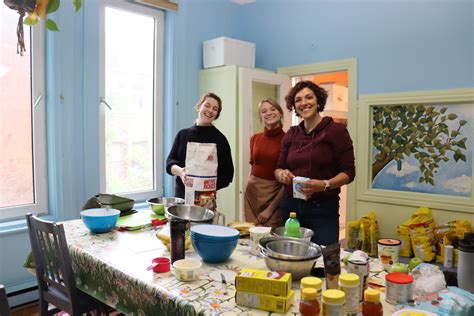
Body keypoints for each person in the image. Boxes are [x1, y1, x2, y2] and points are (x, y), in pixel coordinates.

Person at [274, 81, 355, 246]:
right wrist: (282, 174)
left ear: (318, 101)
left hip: (323, 209)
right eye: (298, 100)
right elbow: (278, 168)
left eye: (309, 97)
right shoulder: (291, 134)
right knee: (292, 257)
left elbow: (348, 172)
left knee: (323, 261)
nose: (304, 103)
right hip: (292, 210)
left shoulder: (336, 131)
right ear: (294, 107)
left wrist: (324, 184)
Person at [166, 93, 234, 202]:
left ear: (216, 115)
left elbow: (227, 175)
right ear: (198, 107)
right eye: (207, 105)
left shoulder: (220, 140)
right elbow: (169, 163)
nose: (210, 110)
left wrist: (205, 186)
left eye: (215, 109)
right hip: (181, 199)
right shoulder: (182, 135)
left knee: (204, 219)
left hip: (205, 200)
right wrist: (181, 172)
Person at [244, 99, 286, 227]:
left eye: (273, 109)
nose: (269, 113)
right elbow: (254, 169)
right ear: (261, 116)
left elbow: (288, 181)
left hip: (274, 197)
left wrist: (270, 209)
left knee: (269, 238)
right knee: (250, 235)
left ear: (280, 113)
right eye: (264, 111)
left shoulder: (288, 139)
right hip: (252, 196)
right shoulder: (255, 138)